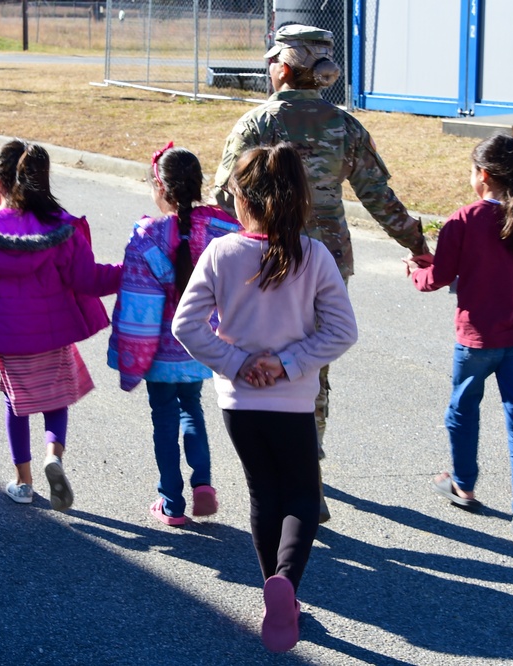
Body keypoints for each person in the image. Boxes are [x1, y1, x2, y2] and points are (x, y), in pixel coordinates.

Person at [212, 24, 431, 522]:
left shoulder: (254, 126)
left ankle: (275, 472)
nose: (268, 69)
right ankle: (309, 477)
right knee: (310, 366)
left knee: (258, 358)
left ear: (285, 68)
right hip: (325, 264)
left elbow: (225, 196)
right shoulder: (346, 127)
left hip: (261, 261)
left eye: (272, 61)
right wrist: (417, 244)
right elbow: (380, 198)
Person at [173, 143, 358, 652]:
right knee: (300, 494)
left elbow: (185, 325)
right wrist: (288, 362)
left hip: (239, 403)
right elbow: (343, 331)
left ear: (243, 198)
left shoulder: (221, 253)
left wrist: (236, 363)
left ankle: (271, 592)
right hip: (294, 401)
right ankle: (286, 587)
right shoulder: (313, 255)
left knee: (263, 495)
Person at [405, 134, 513, 547]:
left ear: (484, 175)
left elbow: (437, 277)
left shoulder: (464, 220)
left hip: (476, 339)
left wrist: (414, 271)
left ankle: (464, 484)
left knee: (462, 409)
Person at [0, 139, 121, 511]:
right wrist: (129, 274)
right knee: (55, 398)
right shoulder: (60, 229)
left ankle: (23, 481)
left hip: (7, 337)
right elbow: (88, 279)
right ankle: (54, 456)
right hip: (53, 333)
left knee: (16, 404)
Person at [107, 143, 241, 526]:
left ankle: (171, 501)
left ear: (160, 188)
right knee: (192, 410)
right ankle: (203, 483)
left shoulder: (147, 236)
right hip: (203, 347)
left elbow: (139, 309)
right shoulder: (222, 228)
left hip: (160, 355)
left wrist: (133, 360)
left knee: (164, 418)